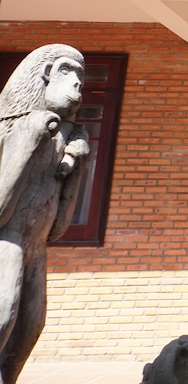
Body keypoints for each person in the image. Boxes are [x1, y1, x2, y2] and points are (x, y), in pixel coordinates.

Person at [0, 45, 90, 384]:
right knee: (3, 311)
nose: (77, 83)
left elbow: (58, 227)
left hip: (36, 244)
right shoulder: (16, 126)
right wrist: (28, 138)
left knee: (30, 325)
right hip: (8, 238)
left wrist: (76, 165)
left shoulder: (66, 137)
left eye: (81, 76)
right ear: (45, 75)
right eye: (67, 72)